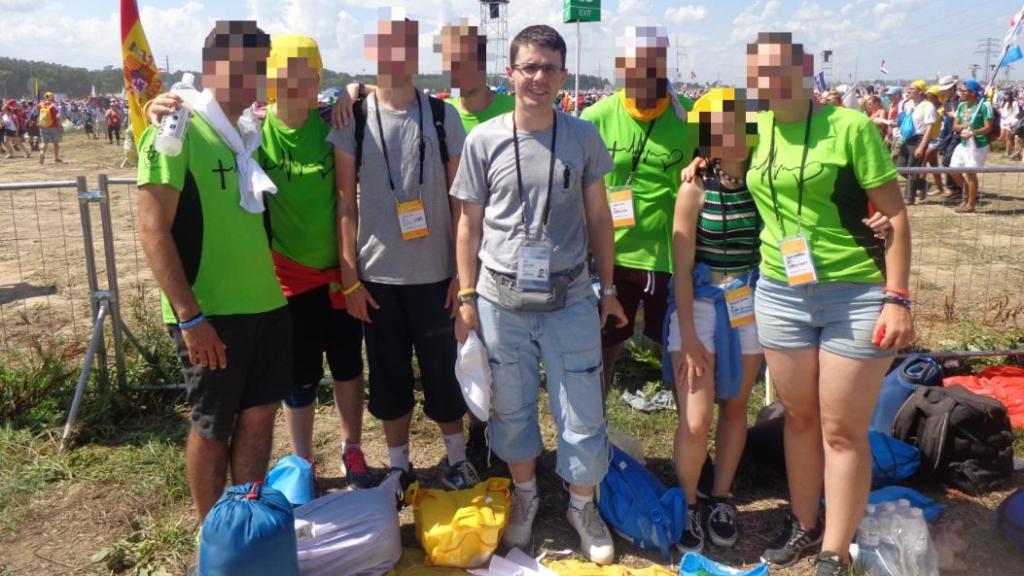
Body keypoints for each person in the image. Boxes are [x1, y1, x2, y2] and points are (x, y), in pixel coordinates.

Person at [452, 24, 625, 564]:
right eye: (529, 67)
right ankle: (525, 495)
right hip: (500, 298)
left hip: (569, 294)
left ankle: (582, 505)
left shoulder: (582, 137)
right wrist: (466, 296)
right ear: (511, 73)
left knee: (583, 405)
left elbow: (600, 218)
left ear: (563, 74)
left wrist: (609, 290)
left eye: (549, 68)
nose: (539, 78)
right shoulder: (483, 140)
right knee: (511, 405)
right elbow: (468, 225)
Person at [745, 32, 913, 576]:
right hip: (779, 291)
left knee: (840, 431)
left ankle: (834, 550)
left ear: (805, 70)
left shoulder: (850, 126)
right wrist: (696, 168)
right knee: (798, 419)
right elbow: (711, 151)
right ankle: (804, 523)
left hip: (854, 294)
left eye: (780, 71)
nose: (771, 83)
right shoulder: (754, 128)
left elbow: (896, 216)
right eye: (760, 74)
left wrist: (897, 299)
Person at [137, 20, 289, 521]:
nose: (250, 80)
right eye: (239, 68)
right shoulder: (175, 129)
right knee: (213, 425)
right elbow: (153, 231)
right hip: (211, 312)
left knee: (260, 415)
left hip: (265, 302)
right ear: (210, 69)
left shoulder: (247, 132)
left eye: (257, 69)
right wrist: (189, 316)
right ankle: (213, 535)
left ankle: (245, 523)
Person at [330, 14, 478, 493]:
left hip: (436, 276)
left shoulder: (441, 115)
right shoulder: (353, 118)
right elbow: (344, 204)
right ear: (373, 53)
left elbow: (461, 203)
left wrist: (461, 276)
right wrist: (350, 280)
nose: (396, 57)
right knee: (389, 380)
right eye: (386, 48)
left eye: (405, 47)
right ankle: (398, 468)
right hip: (377, 280)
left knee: (445, 375)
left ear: (416, 54)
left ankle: (456, 459)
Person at [580, 25, 696, 398]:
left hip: (672, 257)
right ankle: (594, 428)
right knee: (604, 351)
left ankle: (688, 433)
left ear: (664, 65)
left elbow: (737, 158)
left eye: (652, 65)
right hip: (614, 257)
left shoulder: (691, 116)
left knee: (677, 353)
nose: (643, 74)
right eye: (634, 66)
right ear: (621, 67)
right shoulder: (596, 117)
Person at [438, 19, 515, 469]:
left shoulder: (512, 108)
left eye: (464, 60)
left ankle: (509, 431)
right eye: (449, 60)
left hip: (508, 248)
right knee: (469, 343)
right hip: (462, 249)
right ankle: (479, 431)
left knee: (507, 349)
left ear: (484, 63)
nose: (456, 69)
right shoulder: (443, 114)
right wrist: (351, 89)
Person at [949, 80, 993, 213]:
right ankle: (969, 194)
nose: (960, 93)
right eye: (960, 90)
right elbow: (955, 125)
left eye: (964, 91)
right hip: (963, 143)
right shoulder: (961, 106)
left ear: (973, 93)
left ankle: (970, 204)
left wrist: (973, 132)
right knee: (953, 171)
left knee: (970, 173)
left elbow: (988, 127)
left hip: (978, 144)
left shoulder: (984, 106)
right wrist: (961, 126)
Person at [896, 80, 935, 204]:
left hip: (919, 138)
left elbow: (929, 128)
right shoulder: (908, 104)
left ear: (920, 91)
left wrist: (922, 146)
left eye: (912, 89)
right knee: (900, 167)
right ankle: (923, 184)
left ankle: (909, 197)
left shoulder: (928, 106)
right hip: (907, 139)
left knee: (912, 168)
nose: (908, 91)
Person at [36, 91, 63, 164]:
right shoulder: (54, 106)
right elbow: (58, 118)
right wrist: (60, 126)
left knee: (44, 142)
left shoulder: (40, 105)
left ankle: (42, 153)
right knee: (55, 143)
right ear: (52, 97)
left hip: (43, 126)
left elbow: (37, 115)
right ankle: (56, 158)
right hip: (53, 126)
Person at [998, 88, 1020, 158]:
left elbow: (1016, 112)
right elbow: (1001, 110)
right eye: (1004, 95)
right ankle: (1009, 149)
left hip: (1010, 121)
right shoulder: (1003, 103)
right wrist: (1000, 111)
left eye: (1006, 95)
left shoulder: (1014, 103)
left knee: (1008, 137)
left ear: (1010, 95)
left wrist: (1012, 121)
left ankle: (1007, 152)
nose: (1005, 96)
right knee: (1002, 136)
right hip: (1003, 121)